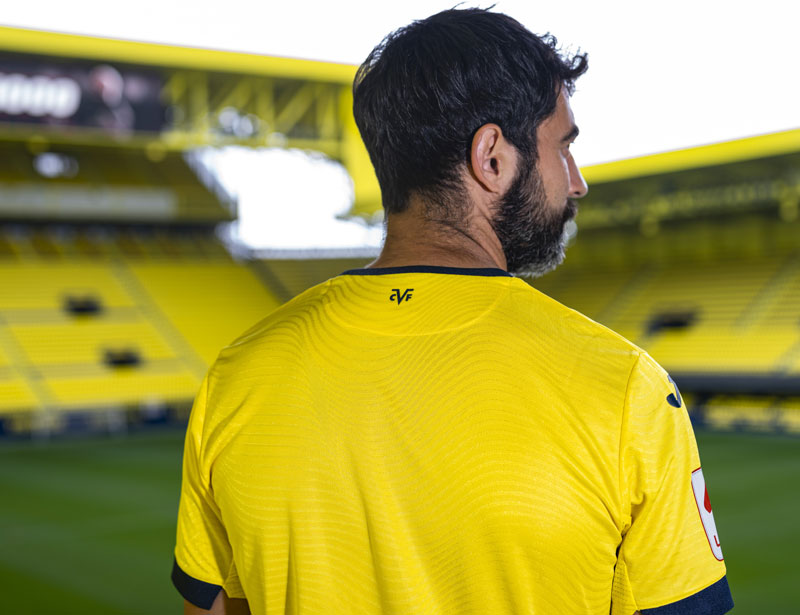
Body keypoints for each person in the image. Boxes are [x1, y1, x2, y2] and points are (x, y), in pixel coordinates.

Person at [172, 8, 734, 615]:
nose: (576, 182)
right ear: (492, 157)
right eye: (563, 147)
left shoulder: (236, 378)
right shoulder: (626, 389)